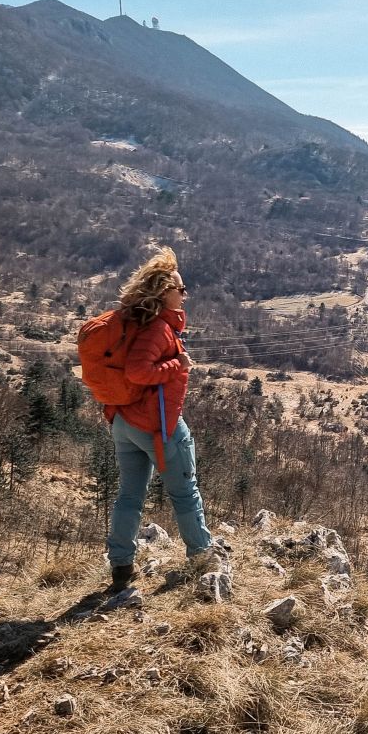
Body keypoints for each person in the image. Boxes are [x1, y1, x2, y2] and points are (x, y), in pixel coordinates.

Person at [103, 247, 218, 590]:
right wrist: (176, 365)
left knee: (129, 495)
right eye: (180, 290)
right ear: (163, 293)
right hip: (157, 426)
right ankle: (201, 558)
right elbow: (140, 371)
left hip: (125, 423)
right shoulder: (158, 330)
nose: (186, 295)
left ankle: (121, 567)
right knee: (185, 493)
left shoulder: (140, 324)